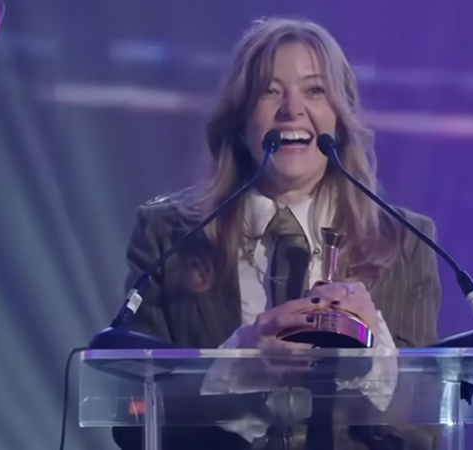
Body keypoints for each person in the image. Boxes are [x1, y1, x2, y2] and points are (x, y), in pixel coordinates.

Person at [113, 16, 443, 450]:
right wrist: (235, 368)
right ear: (240, 116)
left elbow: (426, 430)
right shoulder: (167, 237)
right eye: (270, 90)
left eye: (314, 90)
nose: (292, 109)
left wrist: (373, 359)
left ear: (339, 119)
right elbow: (132, 417)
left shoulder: (406, 241)